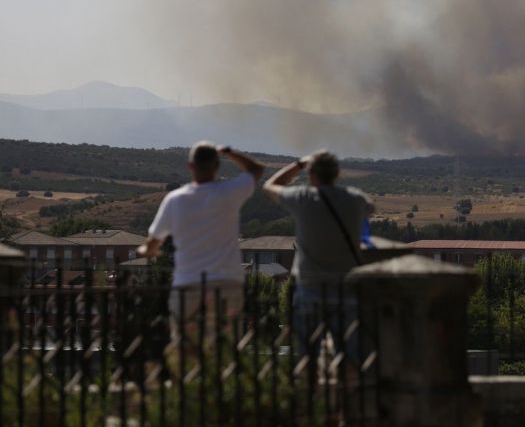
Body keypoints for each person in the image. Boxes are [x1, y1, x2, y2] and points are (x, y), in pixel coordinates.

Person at [140, 141, 265, 335]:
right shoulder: (229, 192)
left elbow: (153, 242)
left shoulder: (175, 200)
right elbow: (256, 169)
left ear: (190, 166)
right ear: (217, 166)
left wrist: (147, 250)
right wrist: (229, 152)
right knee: (226, 349)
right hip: (227, 282)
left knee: (185, 349)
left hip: (188, 283)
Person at [262, 149, 373, 344]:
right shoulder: (355, 198)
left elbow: (270, 186)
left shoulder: (302, 197)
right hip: (345, 287)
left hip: (310, 288)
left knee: (308, 355)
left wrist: (298, 164)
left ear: (311, 174)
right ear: (337, 173)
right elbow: (370, 207)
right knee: (352, 356)